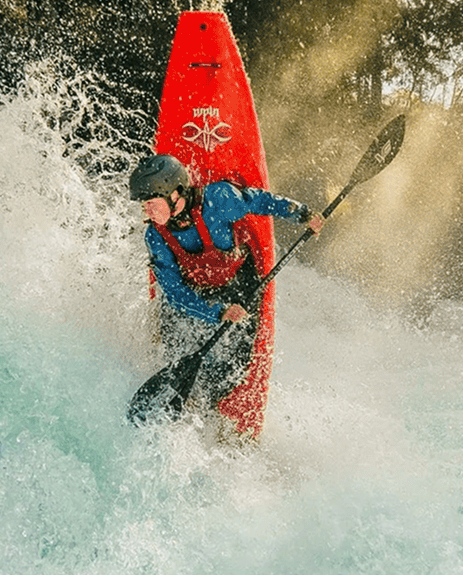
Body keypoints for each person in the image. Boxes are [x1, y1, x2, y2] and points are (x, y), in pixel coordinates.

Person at [129, 152, 323, 408]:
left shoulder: (219, 200)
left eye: (151, 203)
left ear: (174, 194)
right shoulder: (155, 237)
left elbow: (260, 202)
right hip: (197, 298)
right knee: (175, 348)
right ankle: (188, 402)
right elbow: (175, 293)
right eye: (144, 205)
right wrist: (217, 312)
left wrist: (303, 214)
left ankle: (216, 401)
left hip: (238, 286)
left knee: (231, 368)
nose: (147, 211)